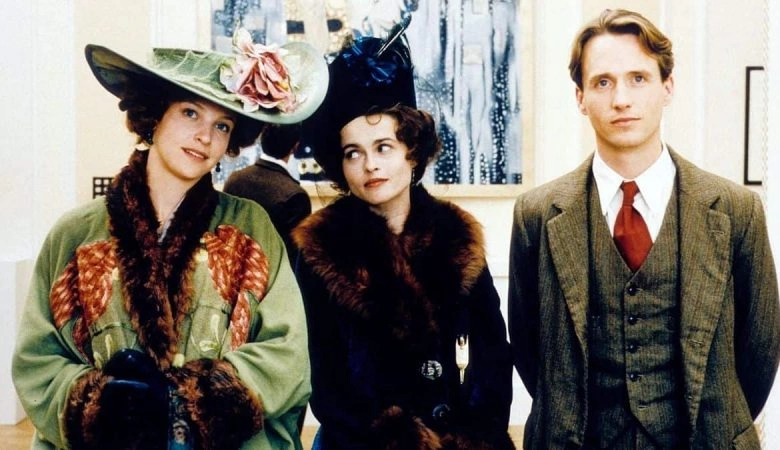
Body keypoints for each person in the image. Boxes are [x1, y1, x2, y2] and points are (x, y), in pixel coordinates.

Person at [12, 28, 328, 450]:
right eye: (190, 113)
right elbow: (38, 359)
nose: (205, 136)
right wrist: (104, 406)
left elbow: (287, 353)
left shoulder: (250, 228)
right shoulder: (76, 232)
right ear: (154, 115)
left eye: (222, 125)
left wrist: (191, 405)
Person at [508, 8, 780, 449]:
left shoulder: (735, 211)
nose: (621, 99)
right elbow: (529, 349)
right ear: (580, 97)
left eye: (638, 78)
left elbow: (759, 352)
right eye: (603, 82)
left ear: (667, 87)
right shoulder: (537, 215)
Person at [291, 23, 515, 450]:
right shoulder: (322, 248)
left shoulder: (459, 238)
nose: (370, 165)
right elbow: (323, 376)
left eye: (383, 147)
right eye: (353, 153)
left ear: (412, 152)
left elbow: (492, 356)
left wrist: (473, 435)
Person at [224, 123, 312, 263]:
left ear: (261, 140)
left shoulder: (234, 179)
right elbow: (292, 258)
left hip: (229, 267)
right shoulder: (295, 196)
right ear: (295, 147)